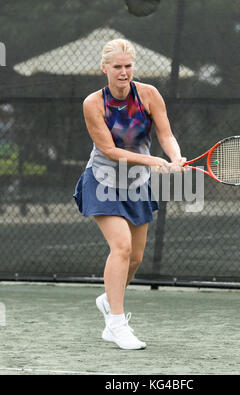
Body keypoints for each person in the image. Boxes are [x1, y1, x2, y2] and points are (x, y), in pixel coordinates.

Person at [73, 38, 186, 350]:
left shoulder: (149, 95)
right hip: (103, 181)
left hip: (137, 185)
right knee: (121, 247)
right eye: (117, 67)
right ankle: (116, 324)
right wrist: (152, 160)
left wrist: (175, 156)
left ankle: (109, 298)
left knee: (135, 258)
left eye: (128, 66)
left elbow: (165, 134)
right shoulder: (93, 103)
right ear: (105, 68)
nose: (123, 72)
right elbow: (109, 150)